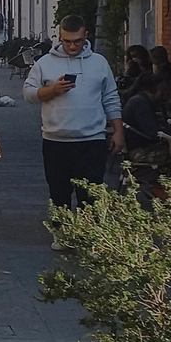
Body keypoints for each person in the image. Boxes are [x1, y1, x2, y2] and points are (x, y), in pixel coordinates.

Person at [24, 15, 125, 249]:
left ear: (85, 36)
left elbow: (110, 98)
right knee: (58, 191)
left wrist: (118, 131)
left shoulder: (99, 63)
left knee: (90, 192)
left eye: (77, 41)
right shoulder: (45, 63)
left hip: (92, 140)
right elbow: (29, 93)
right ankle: (62, 234)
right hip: (55, 140)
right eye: (67, 41)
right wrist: (52, 90)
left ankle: (88, 236)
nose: (72, 46)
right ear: (60, 37)